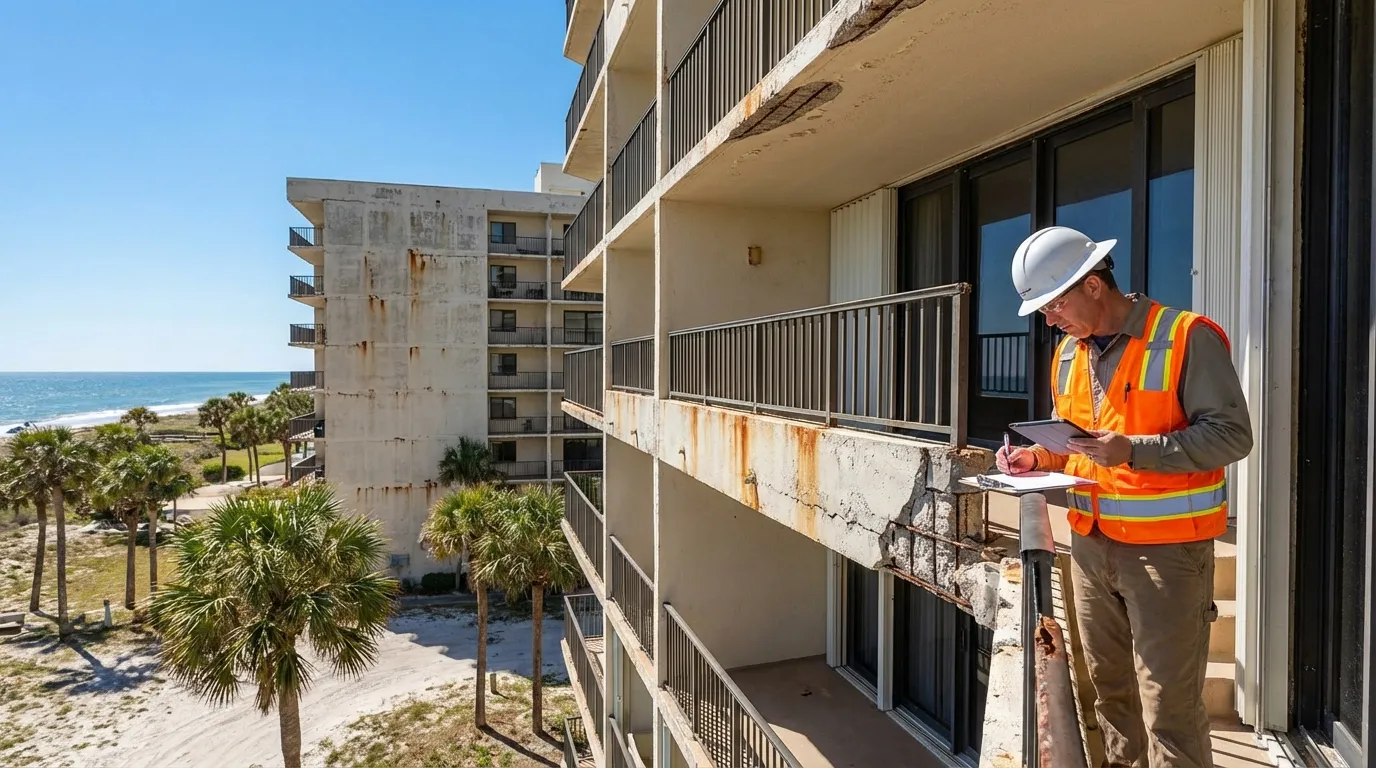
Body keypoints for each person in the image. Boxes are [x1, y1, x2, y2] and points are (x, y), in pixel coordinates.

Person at [996, 226, 1253, 768]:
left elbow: (1232, 436)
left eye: (1054, 303)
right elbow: (1081, 449)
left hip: (1167, 555)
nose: (1049, 319)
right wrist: (1036, 459)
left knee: (1169, 712)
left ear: (1093, 285)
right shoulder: (1068, 354)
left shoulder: (1186, 335)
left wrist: (1135, 451)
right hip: (1091, 549)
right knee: (1112, 695)